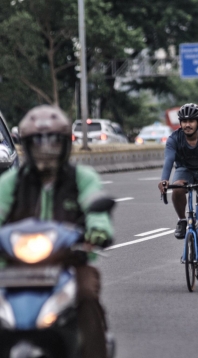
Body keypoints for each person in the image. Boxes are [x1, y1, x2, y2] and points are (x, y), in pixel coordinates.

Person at [0, 105, 113, 358]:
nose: (46, 148)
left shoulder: (82, 177)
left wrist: (98, 231)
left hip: (69, 265)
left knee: (86, 296)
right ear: (27, 146)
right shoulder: (11, 182)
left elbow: (96, 208)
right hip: (13, 268)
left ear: (65, 145)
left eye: (53, 141)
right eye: (38, 142)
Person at [158, 103, 198, 276]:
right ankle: (182, 220)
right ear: (180, 123)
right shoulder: (173, 139)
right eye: (184, 121)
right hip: (184, 169)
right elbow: (169, 160)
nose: (187, 125)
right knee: (177, 188)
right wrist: (164, 180)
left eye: (191, 121)